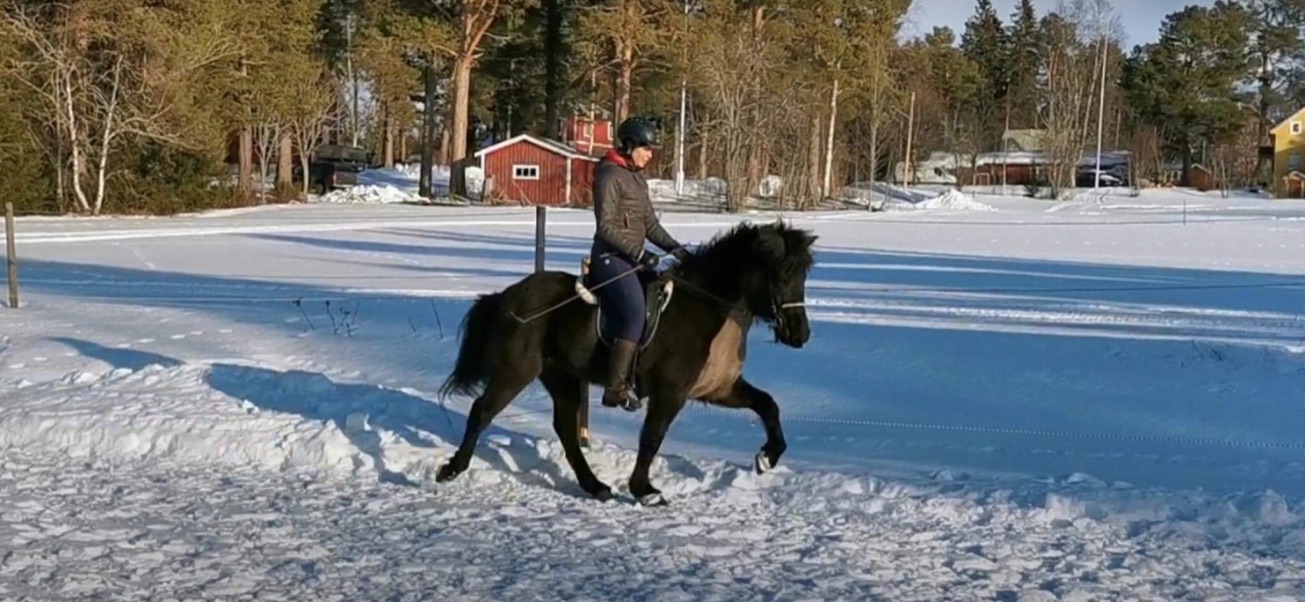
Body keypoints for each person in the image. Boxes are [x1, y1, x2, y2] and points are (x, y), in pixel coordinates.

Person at [589, 116, 690, 411]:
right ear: (630, 145)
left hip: (631, 258)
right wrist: (640, 254)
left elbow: (650, 225)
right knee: (634, 314)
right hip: (610, 258)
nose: (650, 153)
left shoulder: (636, 179)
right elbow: (606, 228)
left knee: (662, 299)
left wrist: (676, 249)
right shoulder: (609, 176)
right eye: (646, 147)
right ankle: (615, 387)